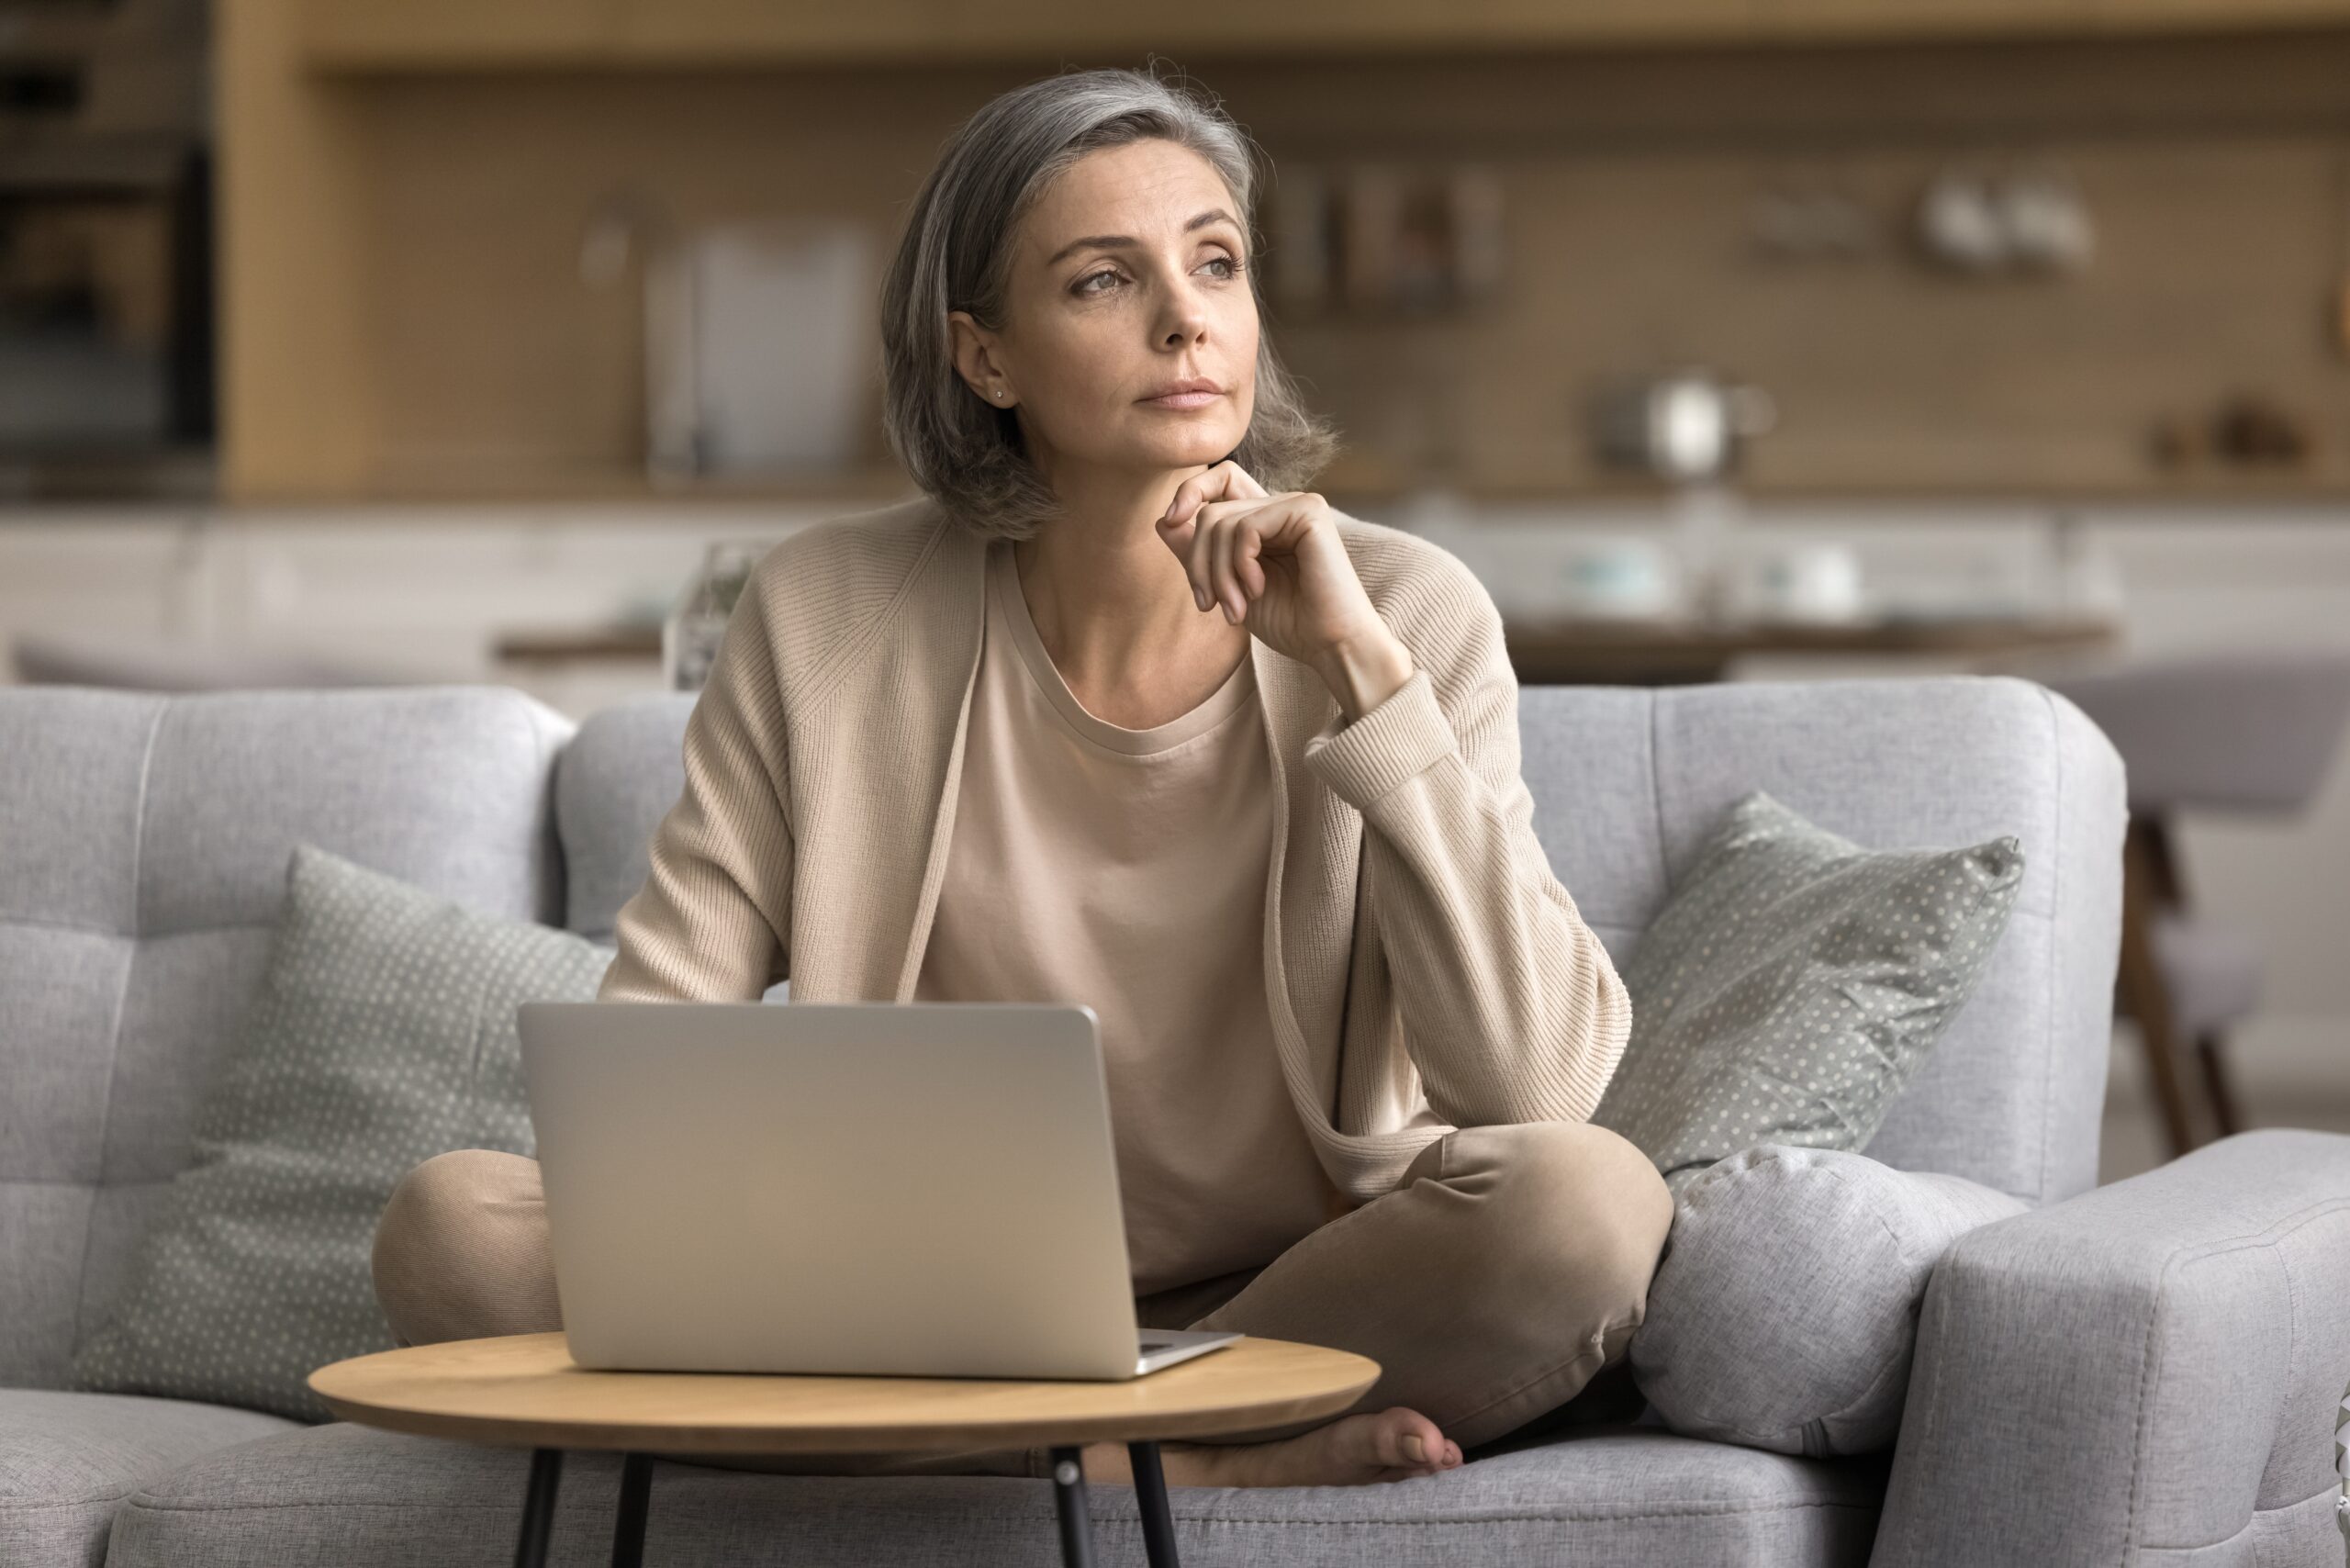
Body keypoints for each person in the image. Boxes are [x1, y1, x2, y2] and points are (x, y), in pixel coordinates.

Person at [371, 62, 1672, 1491]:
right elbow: (651, 1068)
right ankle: (1163, 1474)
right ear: (985, 357)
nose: (1187, 317)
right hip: (910, 1307)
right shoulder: (824, 612)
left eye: (1216, 263)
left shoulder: (1406, 611)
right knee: (449, 1227)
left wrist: (1361, 675)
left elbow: (1537, 1082)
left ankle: (1037, 1455)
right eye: (1104, 281)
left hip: (1290, 1299)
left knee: (1587, 1206)